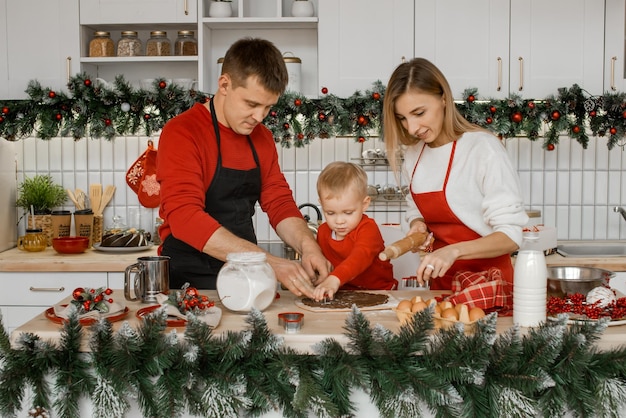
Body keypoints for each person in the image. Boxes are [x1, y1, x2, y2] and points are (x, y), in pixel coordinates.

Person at [156, 37, 329, 296]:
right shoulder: (183, 132)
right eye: (251, 104)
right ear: (224, 84)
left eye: (268, 107)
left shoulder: (262, 138)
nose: (259, 117)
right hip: (188, 282)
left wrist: (309, 246)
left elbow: (279, 203)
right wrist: (269, 263)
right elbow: (185, 218)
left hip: (245, 278)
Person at [382, 57, 528, 290]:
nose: (411, 128)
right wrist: (418, 224)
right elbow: (415, 208)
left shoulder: (482, 148)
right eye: (402, 118)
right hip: (441, 284)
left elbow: (511, 236)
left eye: (419, 113)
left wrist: (453, 251)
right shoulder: (414, 154)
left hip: (490, 285)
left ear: (443, 99)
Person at [312, 161, 396, 301]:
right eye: (331, 213)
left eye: (348, 212)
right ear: (321, 204)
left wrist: (335, 278)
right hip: (342, 294)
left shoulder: (368, 229)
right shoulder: (323, 232)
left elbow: (360, 257)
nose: (339, 221)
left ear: (364, 204)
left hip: (379, 293)